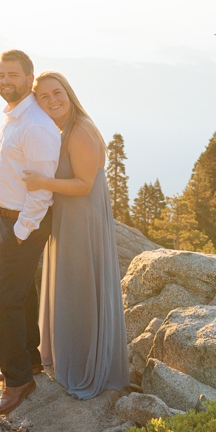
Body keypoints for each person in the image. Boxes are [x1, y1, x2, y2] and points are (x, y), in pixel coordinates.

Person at [21, 71, 131, 399]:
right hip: (70, 218)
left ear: (68, 94)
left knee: (81, 288)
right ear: (37, 102)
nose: (53, 100)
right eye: (45, 96)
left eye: (58, 93)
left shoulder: (80, 131)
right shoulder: (62, 129)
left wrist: (43, 183)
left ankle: (86, 368)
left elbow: (83, 186)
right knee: (72, 286)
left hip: (82, 221)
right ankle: (69, 355)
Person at [0, 49, 61, 416]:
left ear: (29, 78)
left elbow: (43, 191)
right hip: (7, 219)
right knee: (21, 294)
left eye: (13, 75)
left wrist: (19, 231)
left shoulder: (34, 125)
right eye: (1, 74)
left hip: (22, 223)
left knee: (5, 302)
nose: (5, 81)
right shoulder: (17, 115)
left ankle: (17, 380)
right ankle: (29, 360)